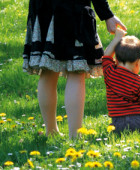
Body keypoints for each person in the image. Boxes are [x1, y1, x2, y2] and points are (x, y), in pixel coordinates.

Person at [22, 0, 126, 138]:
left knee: (48, 70)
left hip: (43, 7)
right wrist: (107, 15)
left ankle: (51, 132)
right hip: (73, 8)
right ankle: (75, 136)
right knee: (76, 71)